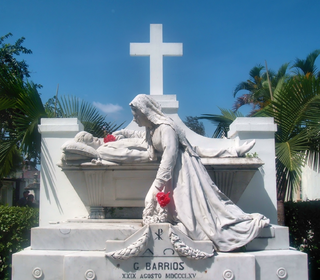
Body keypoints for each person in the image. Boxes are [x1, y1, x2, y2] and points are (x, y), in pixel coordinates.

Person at [70, 94, 269, 252]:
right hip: (178, 164)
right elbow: (141, 135)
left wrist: (155, 187)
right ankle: (232, 150)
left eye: (135, 114)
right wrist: (123, 133)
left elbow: (170, 157)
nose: (134, 118)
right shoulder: (152, 128)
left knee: (194, 211)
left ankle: (232, 152)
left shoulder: (166, 129)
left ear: (145, 112)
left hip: (183, 170)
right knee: (197, 153)